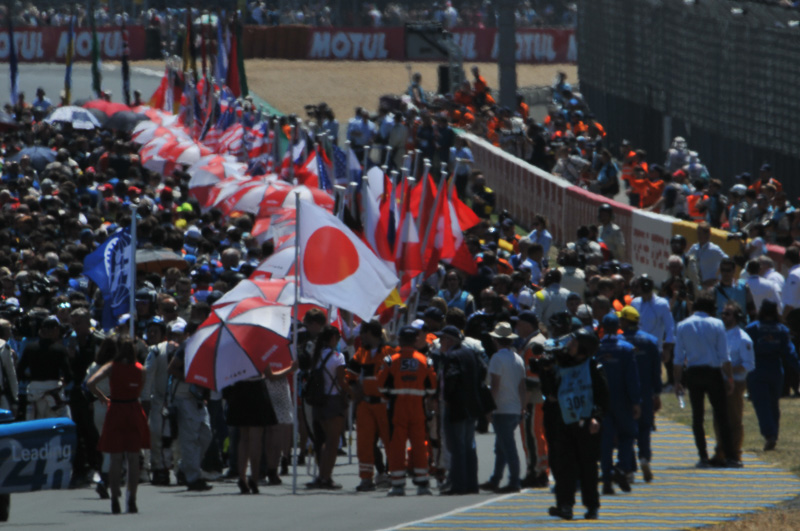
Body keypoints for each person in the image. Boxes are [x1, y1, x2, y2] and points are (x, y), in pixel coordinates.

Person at [542, 328, 608, 521]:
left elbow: (602, 396)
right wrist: (547, 372)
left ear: (583, 348)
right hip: (565, 422)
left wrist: (597, 417)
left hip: (587, 423)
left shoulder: (594, 367)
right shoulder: (561, 365)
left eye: (574, 342)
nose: (569, 345)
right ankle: (565, 505)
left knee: (588, 467)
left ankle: (592, 506)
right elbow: (551, 392)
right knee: (564, 467)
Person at [673, 291, 738, 468]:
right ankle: (731, 457)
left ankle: (703, 456)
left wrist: (677, 381)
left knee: (697, 417)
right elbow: (725, 356)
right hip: (713, 373)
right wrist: (730, 378)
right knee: (722, 415)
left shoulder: (682, 325)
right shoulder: (717, 324)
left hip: (693, 373)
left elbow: (678, 358)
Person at [87, 337, 150, 515]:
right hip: (133, 410)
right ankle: (132, 498)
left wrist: (102, 397)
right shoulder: (141, 370)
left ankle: (115, 498)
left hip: (116, 409)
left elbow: (90, 383)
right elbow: (140, 391)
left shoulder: (111, 367)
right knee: (133, 458)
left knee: (115, 458)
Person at [378, 325, 437, 496]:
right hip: (418, 408)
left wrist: (392, 395)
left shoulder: (391, 361)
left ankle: (398, 484)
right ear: (414, 340)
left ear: (401, 340)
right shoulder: (425, 360)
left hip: (398, 409)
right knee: (419, 445)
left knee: (397, 446)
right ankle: (422, 483)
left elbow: (381, 385)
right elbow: (432, 387)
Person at [744, 300, 800, 452]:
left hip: (757, 371)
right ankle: (774, 432)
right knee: (773, 404)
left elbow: (744, 348)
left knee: (761, 404)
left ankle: (770, 434)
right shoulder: (781, 330)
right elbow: (790, 353)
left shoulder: (752, 328)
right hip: (776, 372)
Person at [346, 320, 393, 492]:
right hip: (365, 404)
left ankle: (394, 476)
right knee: (365, 443)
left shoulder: (390, 352)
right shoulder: (361, 353)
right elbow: (349, 374)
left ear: (370, 334)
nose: (360, 338)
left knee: (390, 441)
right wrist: (354, 390)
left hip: (384, 404)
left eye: (363, 334)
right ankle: (366, 479)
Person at [596, 313, 640, 495]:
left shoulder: (597, 349)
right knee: (627, 435)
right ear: (618, 327)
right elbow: (632, 378)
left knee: (605, 440)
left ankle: (606, 478)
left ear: (603, 328)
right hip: (623, 400)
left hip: (603, 401)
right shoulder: (626, 349)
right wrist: (636, 401)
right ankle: (621, 468)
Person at [480, 322, 526, 493]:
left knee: (507, 446)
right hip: (514, 408)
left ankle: (514, 481)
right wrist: (523, 407)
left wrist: (489, 408)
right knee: (501, 447)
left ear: (496, 340)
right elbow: (522, 386)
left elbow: (495, 386)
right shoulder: (518, 359)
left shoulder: (497, 358)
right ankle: (495, 479)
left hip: (502, 408)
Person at [439, 325, 485, 495]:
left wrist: (449, 398)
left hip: (457, 407)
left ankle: (458, 485)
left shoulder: (452, 356)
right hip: (471, 406)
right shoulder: (470, 353)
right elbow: (483, 370)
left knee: (457, 447)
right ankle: (472, 484)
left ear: (450, 340)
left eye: (442, 339)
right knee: (468, 446)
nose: (440, 342)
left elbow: (451, 377)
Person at [618, 306, 661, 483]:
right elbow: (656, 370)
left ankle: (629, 468)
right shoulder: (650, 341)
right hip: (646, 392)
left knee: (627, 432)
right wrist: (656, 393)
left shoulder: (619, 342)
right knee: (644, 428)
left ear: (626, 321)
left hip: (625, 394)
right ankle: (644, 457)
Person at [711, 301, 754, 465]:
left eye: (727, 313)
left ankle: (735, 453)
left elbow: (749, 364)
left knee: (734, 419)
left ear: (736, 317)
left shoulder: (743, 338)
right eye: (722, 313)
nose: (723, 316)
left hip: (735, 384)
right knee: (718, 418)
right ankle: (720, 452)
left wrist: (729, 370)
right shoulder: (719, 334)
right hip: (719, 382)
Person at [168, 342, 214, 492]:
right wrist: (191, 379)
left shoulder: (211, 349)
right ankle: (193, 478)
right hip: (184, 397)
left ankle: (183, 468)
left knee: (205, 435)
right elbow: (172, 368)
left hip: (199, 398)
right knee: (190, 440)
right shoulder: (186, 347)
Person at [308, 325, 348, 490]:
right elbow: (341, 381)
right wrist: (352, 393)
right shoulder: (338, 357)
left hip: (318, 402)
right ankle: (327, 477)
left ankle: (321, 475)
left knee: (325, 440)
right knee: (333, 442)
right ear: (333, 339)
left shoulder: (316, 356)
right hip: (333, 400)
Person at [223, 373, 277, 494]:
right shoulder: (258, 354)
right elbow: (270, 374)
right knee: (255, 439)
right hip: (256, 388)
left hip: (240, 389)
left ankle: (242, 477)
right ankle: (254, 477)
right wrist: (291, 368)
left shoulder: (236, 354)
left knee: (243, 438)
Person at [140, 317, 175, 486]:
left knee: (174, 438)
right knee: (157, 437)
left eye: (156, 331)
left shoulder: (167, 349)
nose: (152, 334)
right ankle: (159, 469)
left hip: (176, 399)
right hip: (158, 401)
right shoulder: (153, 351)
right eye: (150, 331)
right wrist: (146, 399)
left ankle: (178, 468)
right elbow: (147, 376)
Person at [17, 315, 71, 419]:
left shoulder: (30, 348)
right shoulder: (59, 349)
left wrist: (30, 378)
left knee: (35, 423)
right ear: (55, 329)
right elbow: (68, 374)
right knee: (57, 422)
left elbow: (20, 371)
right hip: (54, 390)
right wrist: (64, 380)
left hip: (34, 390)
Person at [687, 222, 728, 288]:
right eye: (698, 233)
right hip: (696, 286)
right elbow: (686, 260)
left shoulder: (714, 249)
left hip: (710, 286)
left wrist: (718, 278)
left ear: (707, 235)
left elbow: (727, 261)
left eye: (701, 233)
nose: (699, 235)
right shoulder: (694, 248)